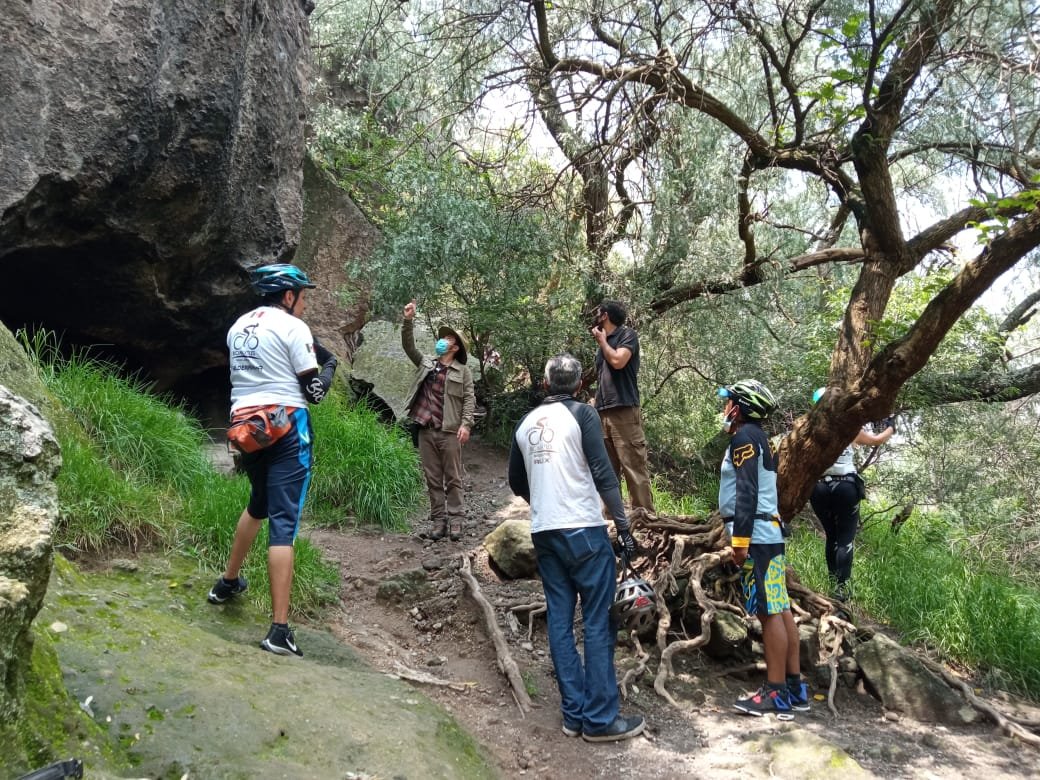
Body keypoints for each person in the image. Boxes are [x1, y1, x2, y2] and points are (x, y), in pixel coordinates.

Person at [508, 353, 646, 743]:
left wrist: (545, 497)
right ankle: (601, 721)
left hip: (545, 532)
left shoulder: (526, 422)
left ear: (546, 384)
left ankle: (573, 715)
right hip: (583, 530)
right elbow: (603, 473)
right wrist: (623, 526)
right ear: (579, 385)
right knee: (599, 620)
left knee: (560, 622)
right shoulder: (584, 415)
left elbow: (516, 481)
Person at [207, 263, 338, 657]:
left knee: (259, 502)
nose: (304, 303)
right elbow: (313, 391)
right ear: (287, 296)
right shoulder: (294, 327)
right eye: (302, 295)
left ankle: (227, 583)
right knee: (284, 521)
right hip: (286, 426)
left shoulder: (238, 327)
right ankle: (279, 631)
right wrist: (329, 367)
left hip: (246, 427)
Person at [718, 379, 809, 718]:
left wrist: (739, 543)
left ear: (738, 408)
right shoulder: (760, 440)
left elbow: (747, 491)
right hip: (768, 532)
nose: (724, 409)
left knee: (769, 611)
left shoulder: (744, 438)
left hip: (755, 535)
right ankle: (794, 687)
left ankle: (775, 692)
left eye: (728, 403)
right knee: (780, 607)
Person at [809, 387, 895, 602]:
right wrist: (891, 427)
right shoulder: (846, 426)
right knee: (845, 538)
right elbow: (876, 440)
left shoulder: (808, 428)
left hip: (818, 488)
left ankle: (832, 582)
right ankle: (841, 590)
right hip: (845, 486)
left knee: (831, 536)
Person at [402, 300, 476, 541]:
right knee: (432, 478)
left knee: (453, 477)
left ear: (455, 348)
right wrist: (408, 320)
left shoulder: (463, 372)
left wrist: (466, 424)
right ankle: (439, 522)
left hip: (450, 432)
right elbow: (409, 346)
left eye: (449, 338)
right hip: (426, 431)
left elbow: (469, 399)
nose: (444, 340)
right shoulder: (427, 364)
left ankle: (456, 521)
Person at [589, 300, 655, 514]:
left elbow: (618, 361)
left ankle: (646, 522)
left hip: (624, 412)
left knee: (633, 468)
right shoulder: (604, 343)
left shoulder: (627, 335)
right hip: (603, 413)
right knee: (608, 471)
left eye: (597, 312)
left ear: (605, 315)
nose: (594, 315)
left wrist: (602, 342)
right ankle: (612, 521)